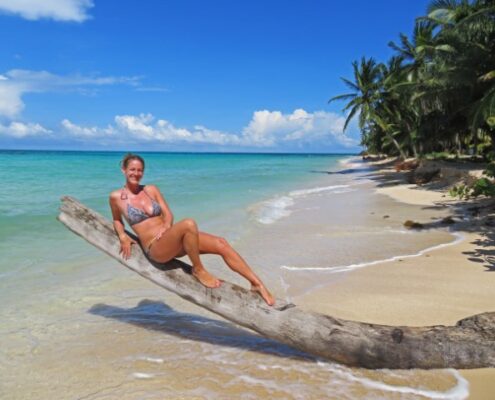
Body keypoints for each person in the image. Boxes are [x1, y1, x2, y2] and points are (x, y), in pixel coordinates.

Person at [109, 153, 275, 306]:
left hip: (172, 240)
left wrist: (167, 226)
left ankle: (257, 284)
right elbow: (117, 219)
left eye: (140, 170)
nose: (136, 173)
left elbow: (168, 214)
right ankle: (198, 269)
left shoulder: (151, 189)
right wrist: (122, 236)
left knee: (221, 243)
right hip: (156, 249)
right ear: (123, 170)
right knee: (189, 224)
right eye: (132, 169)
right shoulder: (116, 197)